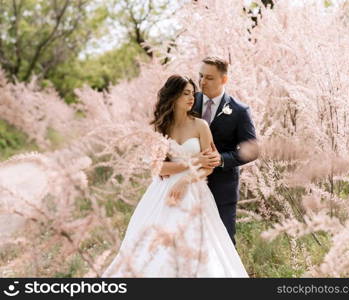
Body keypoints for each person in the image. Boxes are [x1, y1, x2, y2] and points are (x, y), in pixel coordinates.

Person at [102, 75, 248, 277]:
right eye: (185, 93)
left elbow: (209, 165)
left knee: (197, 242)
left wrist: (186, 179)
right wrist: (194, 160)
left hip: (194, 187)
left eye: (192, 93)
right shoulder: (159, 127)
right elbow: (158, 168)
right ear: (172, 97)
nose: (191, 98)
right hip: (162, 191)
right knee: (154, 245)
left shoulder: (200, 126)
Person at [193, 56, 258, 245]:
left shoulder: (239, 110)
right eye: (201, 76)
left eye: (209, 78)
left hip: (223, 188)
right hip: (190, 184)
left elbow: (252, 149)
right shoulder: (188, 103)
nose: (202, 82)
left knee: (223, 243)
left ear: (224, 79)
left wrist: (221, 159)